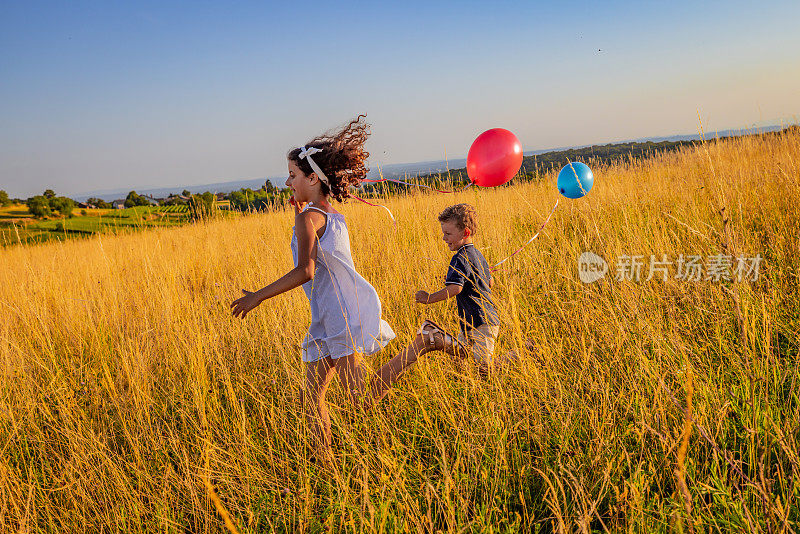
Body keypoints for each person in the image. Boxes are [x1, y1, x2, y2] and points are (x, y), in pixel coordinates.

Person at [230, 116, 457, 458]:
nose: (287, 181)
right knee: (312, 398)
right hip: (327, 317)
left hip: (340, 318)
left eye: (293, 175)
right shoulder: (329, 213)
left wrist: (257, 297)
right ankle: (326, 467)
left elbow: (305, 271)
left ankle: (423, 342)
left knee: (361, 399)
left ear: (312, 178)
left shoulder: (308, 218)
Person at [414, 203, 500, 378]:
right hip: (472, 321)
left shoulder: (459, 258)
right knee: (460, 357)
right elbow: (490, 282)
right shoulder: (478, 254)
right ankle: (462, 382)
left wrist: (429, 298)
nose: (444, 238)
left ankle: (519, 354)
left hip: (482, 321)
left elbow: (455, 288)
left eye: (448, 234)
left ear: (465, 232)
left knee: (483, 368)